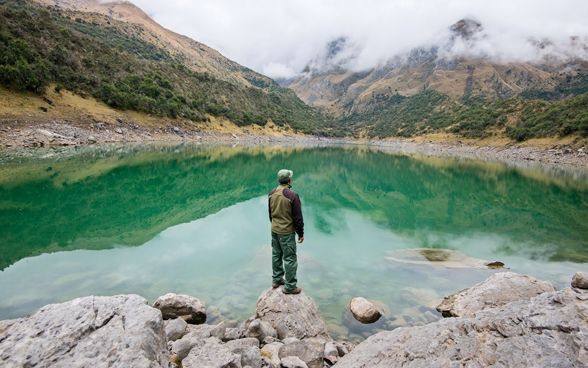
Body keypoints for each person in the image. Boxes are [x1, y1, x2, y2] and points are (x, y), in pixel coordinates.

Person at [268, 169, 304, 294]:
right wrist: (301, 233)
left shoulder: (271, 193)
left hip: (275, 230)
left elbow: (270, 214)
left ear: (279, 180)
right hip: (287, 232)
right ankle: (290, 286)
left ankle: (276, 280)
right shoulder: (292, 195)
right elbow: (298, 218)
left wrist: (275, 226)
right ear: (289, 180)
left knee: (276, 255)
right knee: (290, 258)